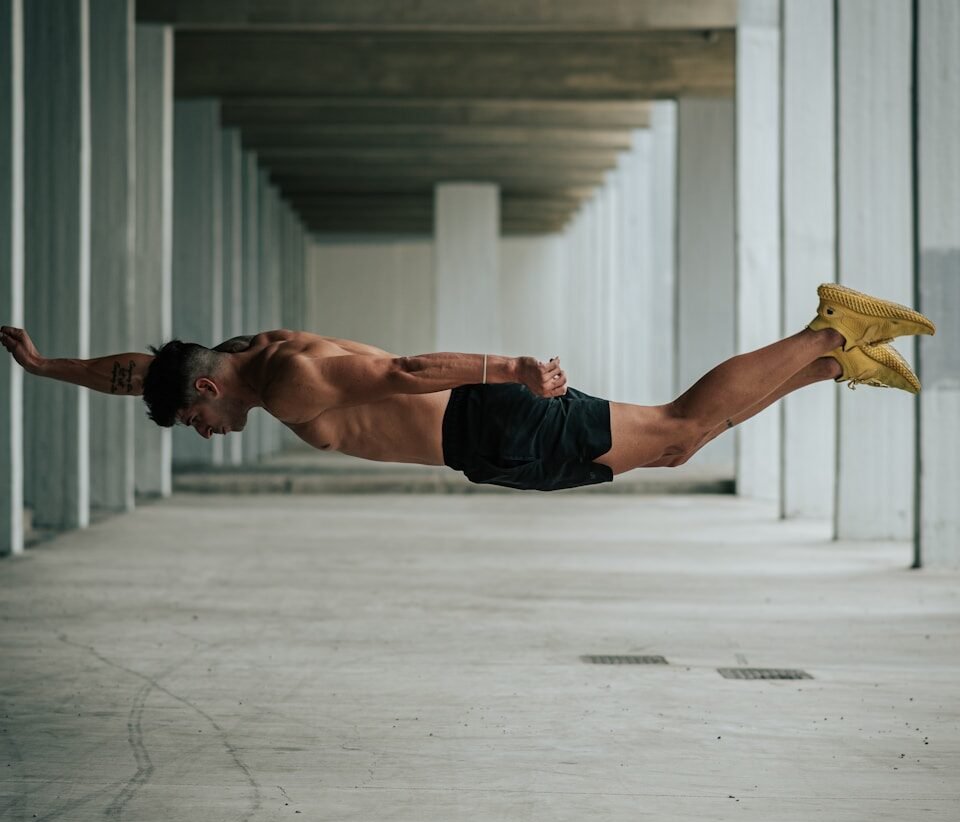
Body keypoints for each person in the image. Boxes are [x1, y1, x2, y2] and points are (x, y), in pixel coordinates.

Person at [0, 284, 935, 493]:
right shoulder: (243, 356)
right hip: (486, 439)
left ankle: (828, 331)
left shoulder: (286, 381)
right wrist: (51, 369)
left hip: (490, 420)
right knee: (681, 440)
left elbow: (404, 372)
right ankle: (828, 363)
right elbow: (146, 373)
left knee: (680, 429)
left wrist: (511, 368)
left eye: (192, 416)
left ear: (213, 384)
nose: (199, 428)